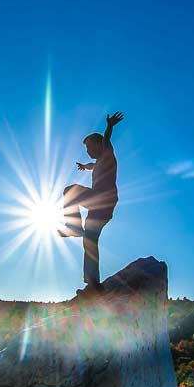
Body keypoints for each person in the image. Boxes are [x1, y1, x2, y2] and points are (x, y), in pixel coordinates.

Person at [58, 111, 124, 289]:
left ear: (98, 145)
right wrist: (84, 167)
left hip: (102, 199)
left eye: (89, 148)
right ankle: (94, 284)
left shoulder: (107, 153)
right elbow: (91, 166)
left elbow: (106, 140)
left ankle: (73, 227)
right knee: (90, 240)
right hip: (102, 209)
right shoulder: (99, 163)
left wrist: (109, 126)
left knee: (70, 191)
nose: (87, 152)